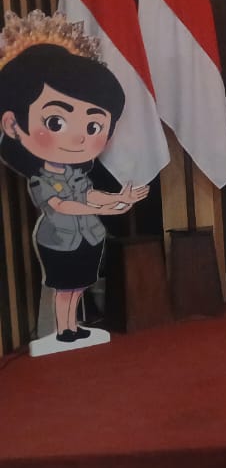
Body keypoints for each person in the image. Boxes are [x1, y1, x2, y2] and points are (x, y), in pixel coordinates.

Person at [0, 42, 149, 345]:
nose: (79, 137)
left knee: (79, 286)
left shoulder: (76, 175)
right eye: (56, 122)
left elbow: (88, 195)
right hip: (58, 241)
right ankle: (62, 329)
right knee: (63, 287)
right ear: (13, 124)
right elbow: (61, 205)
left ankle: (73, 326)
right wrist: (104, 209)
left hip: (88, 238)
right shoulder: (40, 179)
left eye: (94, 125)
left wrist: (119, 198)